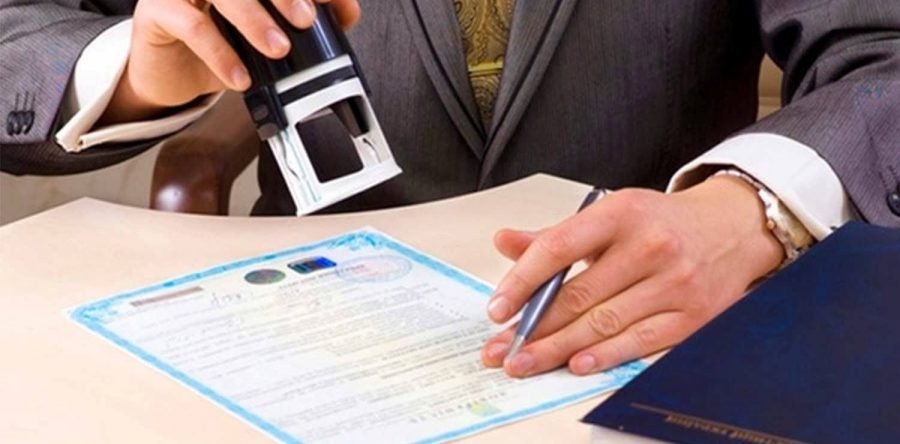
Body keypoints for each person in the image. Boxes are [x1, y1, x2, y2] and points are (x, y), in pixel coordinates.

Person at [2, 0, 899, 378]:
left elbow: (885, 52)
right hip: (309, 342)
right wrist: (135, 69)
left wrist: (750, 209)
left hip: (656, 336)